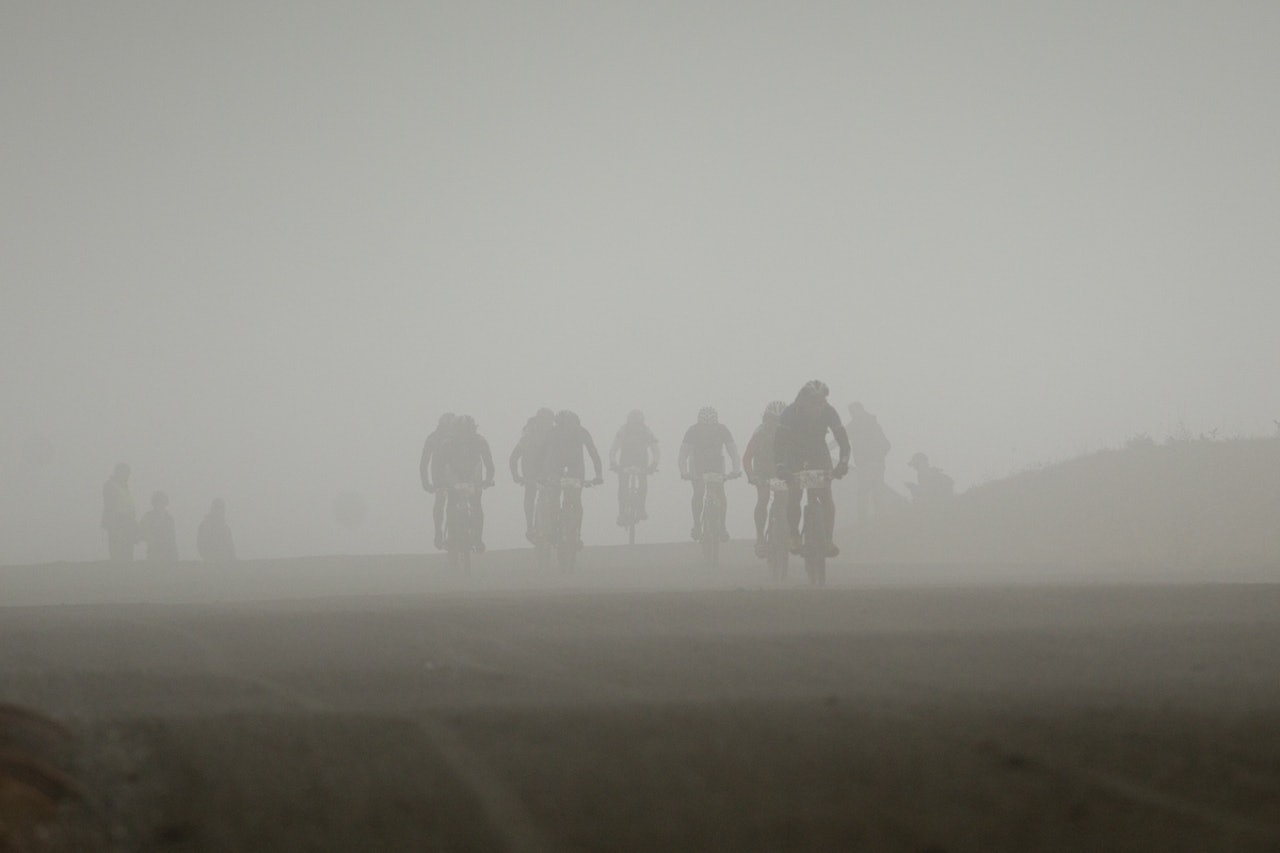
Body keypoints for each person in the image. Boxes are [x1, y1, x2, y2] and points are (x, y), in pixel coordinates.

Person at [773, 380, 850, 556]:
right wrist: (780, 466)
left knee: (825, 495)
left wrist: (843, 463)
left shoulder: (829, 411)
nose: (818, 406)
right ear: (802, 400)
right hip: (794, 453)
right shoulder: (790, 413)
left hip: (818, 452)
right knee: (795, 494)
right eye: (813, 402)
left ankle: (828, 539)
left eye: (821, 402)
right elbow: (779, 445)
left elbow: (844, 442)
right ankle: (793, 534)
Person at [531, 410, 604, 548]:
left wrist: (599, 473)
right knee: (558, 500)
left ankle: (574, 533)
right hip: (559, 470)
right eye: (564, 426)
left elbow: (593, 453)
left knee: (573, 500)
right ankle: (557, 530)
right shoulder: (555, 433)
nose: (567, 430)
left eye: (570, 426)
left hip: (573, 470)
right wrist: (598, 475)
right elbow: (540, 454)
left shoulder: (578, 432)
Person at [678, 407, 741, 542]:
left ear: (716, 424)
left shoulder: (722, 430)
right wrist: (684, 472)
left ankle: (722, 527)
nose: (707, 429)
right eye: (704, 426)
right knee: (699, 492)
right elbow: (683, 453)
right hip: (697, 466)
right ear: (699, 424)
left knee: (720, 493)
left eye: (710, 426)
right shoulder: (692, 431)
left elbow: (733, 452)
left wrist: (735, 470)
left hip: (717, 465)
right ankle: (696, 525)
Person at [435, 415, 496, 552]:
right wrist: (440, 483)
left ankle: (478, 538)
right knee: (451, 504)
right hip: (453, 477)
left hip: (473, 477)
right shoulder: (447, 444)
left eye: (467, 431)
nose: (464, 436)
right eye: (461, 432)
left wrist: (487, 480)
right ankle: (451, 536)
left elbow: (489, 464)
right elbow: (439, 466)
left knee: (476, 506)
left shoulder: (480, 442)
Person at [743, 400, 786, 556]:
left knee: (786, 501)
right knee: (763, 499)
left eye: (779, 420)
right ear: (765, 419)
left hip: (782, 472)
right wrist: (751, 475)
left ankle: (787, 533)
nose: (775, 423)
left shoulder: (791, 433)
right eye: (772, 419)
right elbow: (747, 457)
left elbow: (799, 455)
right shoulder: (759, 433)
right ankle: (760, 538)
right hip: (762, 472)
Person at [840, 402, 892, 524]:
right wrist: (879, 457)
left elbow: (840, 438)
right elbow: (887, 445)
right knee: (878, 491)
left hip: (865, 464)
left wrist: (824, 448)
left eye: (852, 412)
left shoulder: (856, 424)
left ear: (856, 411)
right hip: (878, 463)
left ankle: (863, 522)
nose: (852, 415)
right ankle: (881, 519)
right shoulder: (873, 423)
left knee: (863, 493)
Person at [510, 408, 555, 542]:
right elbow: (513, 458)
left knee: (547, 497)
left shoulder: (554, 435)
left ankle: (540, 525)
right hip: (532, 473)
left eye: (548, 422)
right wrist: (516, 475)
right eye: (544, 422)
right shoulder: (528, 437)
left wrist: (516, 476)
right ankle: (530, 526)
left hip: (545, 473)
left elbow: (513, 459)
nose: (546, 425)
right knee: (531, 494)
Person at [609, 409, 660, 526]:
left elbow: (655, 449)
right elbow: (613, 449)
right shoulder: (623, 431)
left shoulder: (646, 431)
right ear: (629, 421)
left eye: (637, 423)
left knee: (642, 482)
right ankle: (622, 513)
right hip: (626, 461)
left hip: (640, 461)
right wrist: (613, 463)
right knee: (623, 486)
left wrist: (654, 464)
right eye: (633, 422)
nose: (635, 425)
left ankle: (641, 508)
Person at [419, 413, 456, 550]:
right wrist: (426, 483)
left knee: (450, 503)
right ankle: (438, 533)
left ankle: (451, 530)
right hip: (440, 478)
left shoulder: (459, 437)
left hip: (454, 475)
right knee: (440, 502)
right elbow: (424, 462)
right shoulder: (433, 439)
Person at [101, 463, 137, 562]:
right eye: (125, 473)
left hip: (127, 522)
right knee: (118, 549)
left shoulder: (124, 487)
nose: (127, 476)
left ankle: (126, 570)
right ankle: (118, 571)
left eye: (128, 473)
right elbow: (110, 506)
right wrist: (112, 523)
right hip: (117, 522)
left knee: (127, 549)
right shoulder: (111, 486)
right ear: (118, 472)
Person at [138, 491, 179, 561]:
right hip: (154, 552)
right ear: (154, 503)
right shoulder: (148, 517)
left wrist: (175, 553)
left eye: (162, 503)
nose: (160, 505)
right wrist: (152, 540)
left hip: (168, 553)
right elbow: (141, 533)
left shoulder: (169, 518)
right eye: (158, 502)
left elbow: (172, 538)